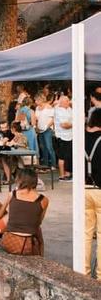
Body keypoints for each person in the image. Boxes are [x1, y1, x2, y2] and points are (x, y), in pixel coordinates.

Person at [1, 169, 49, 256]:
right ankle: (41, 257)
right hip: (26, 245)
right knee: (39, 233)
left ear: (19, 180)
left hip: (8, 241)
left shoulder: (12, 194)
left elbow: (0, 213)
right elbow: (38, 222)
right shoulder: (43, 200)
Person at [84, 109, 101, 278]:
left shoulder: (80, 138)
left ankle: (83, 273)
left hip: (83, 189)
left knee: (86, 234)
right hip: (100, 190)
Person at [54, 94, 73, 181]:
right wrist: (74, 124)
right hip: (62, 136)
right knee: (62, 156)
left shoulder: (69, 109)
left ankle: (68, 173)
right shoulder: (58, 110)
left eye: (68, 100)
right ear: (61, 102)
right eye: (67, 101)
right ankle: (62, 175)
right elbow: (64, 125)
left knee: (69, 156)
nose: (69, 102)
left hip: (70, 135)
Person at [35, 94, 56, 169]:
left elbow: (53, 119)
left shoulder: (48, 107)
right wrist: (37, 127)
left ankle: (53, 164)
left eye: (36, 100)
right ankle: (46, 164)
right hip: (40, 130)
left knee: (49, 147)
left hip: (47, 129)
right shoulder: (37, 108)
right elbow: (36, 118)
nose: (35, 102)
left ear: (41, 100)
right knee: (43, 147)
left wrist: (46, 126)